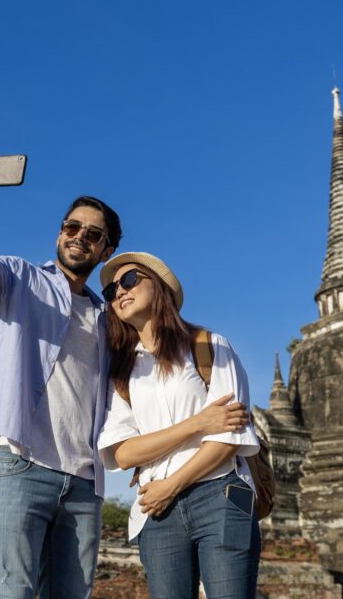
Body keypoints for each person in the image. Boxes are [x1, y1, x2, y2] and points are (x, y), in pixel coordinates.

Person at [0, 151, 121, 599]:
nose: (79, 238)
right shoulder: (18, 279)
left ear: (106, 250)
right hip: (19, 463)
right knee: (9, 592)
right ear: (60, 232)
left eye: (92, 235)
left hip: (83, 481)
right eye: (71, 227)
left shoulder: (108, 318)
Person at [97, 252, 261, 599]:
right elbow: (124, 454)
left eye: (129, 280)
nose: (119, 292)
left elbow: (228, 437)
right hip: (156, 508)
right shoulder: (122, 374)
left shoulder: (210, 346)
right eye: (111, 291)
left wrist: (171, 484)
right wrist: (197, 423)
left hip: (220, 493)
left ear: (158, 287)